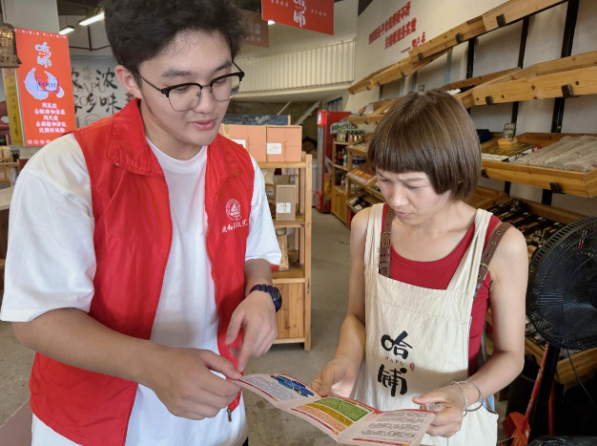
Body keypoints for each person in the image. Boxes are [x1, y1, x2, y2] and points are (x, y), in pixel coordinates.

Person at [0, 1, 282, 445]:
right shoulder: (67, 171)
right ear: (130, 80)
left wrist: (262, 293)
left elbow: (256, 253)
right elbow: (37, 319)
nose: (207, 104)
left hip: (217, 420)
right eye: (180, 85)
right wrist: (152, 365)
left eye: (221, 78)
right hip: (97, 427)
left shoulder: (239, 165)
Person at [312, 90, 527, 444]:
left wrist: (465, 393)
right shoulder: (368, 227)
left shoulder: (500, 245)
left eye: (413, 185)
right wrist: (346, 361)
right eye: (384, 179)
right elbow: (357, 317)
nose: (395, 199)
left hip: (448, 426)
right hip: (375, 410)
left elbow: (511, 355)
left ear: (453, 173)